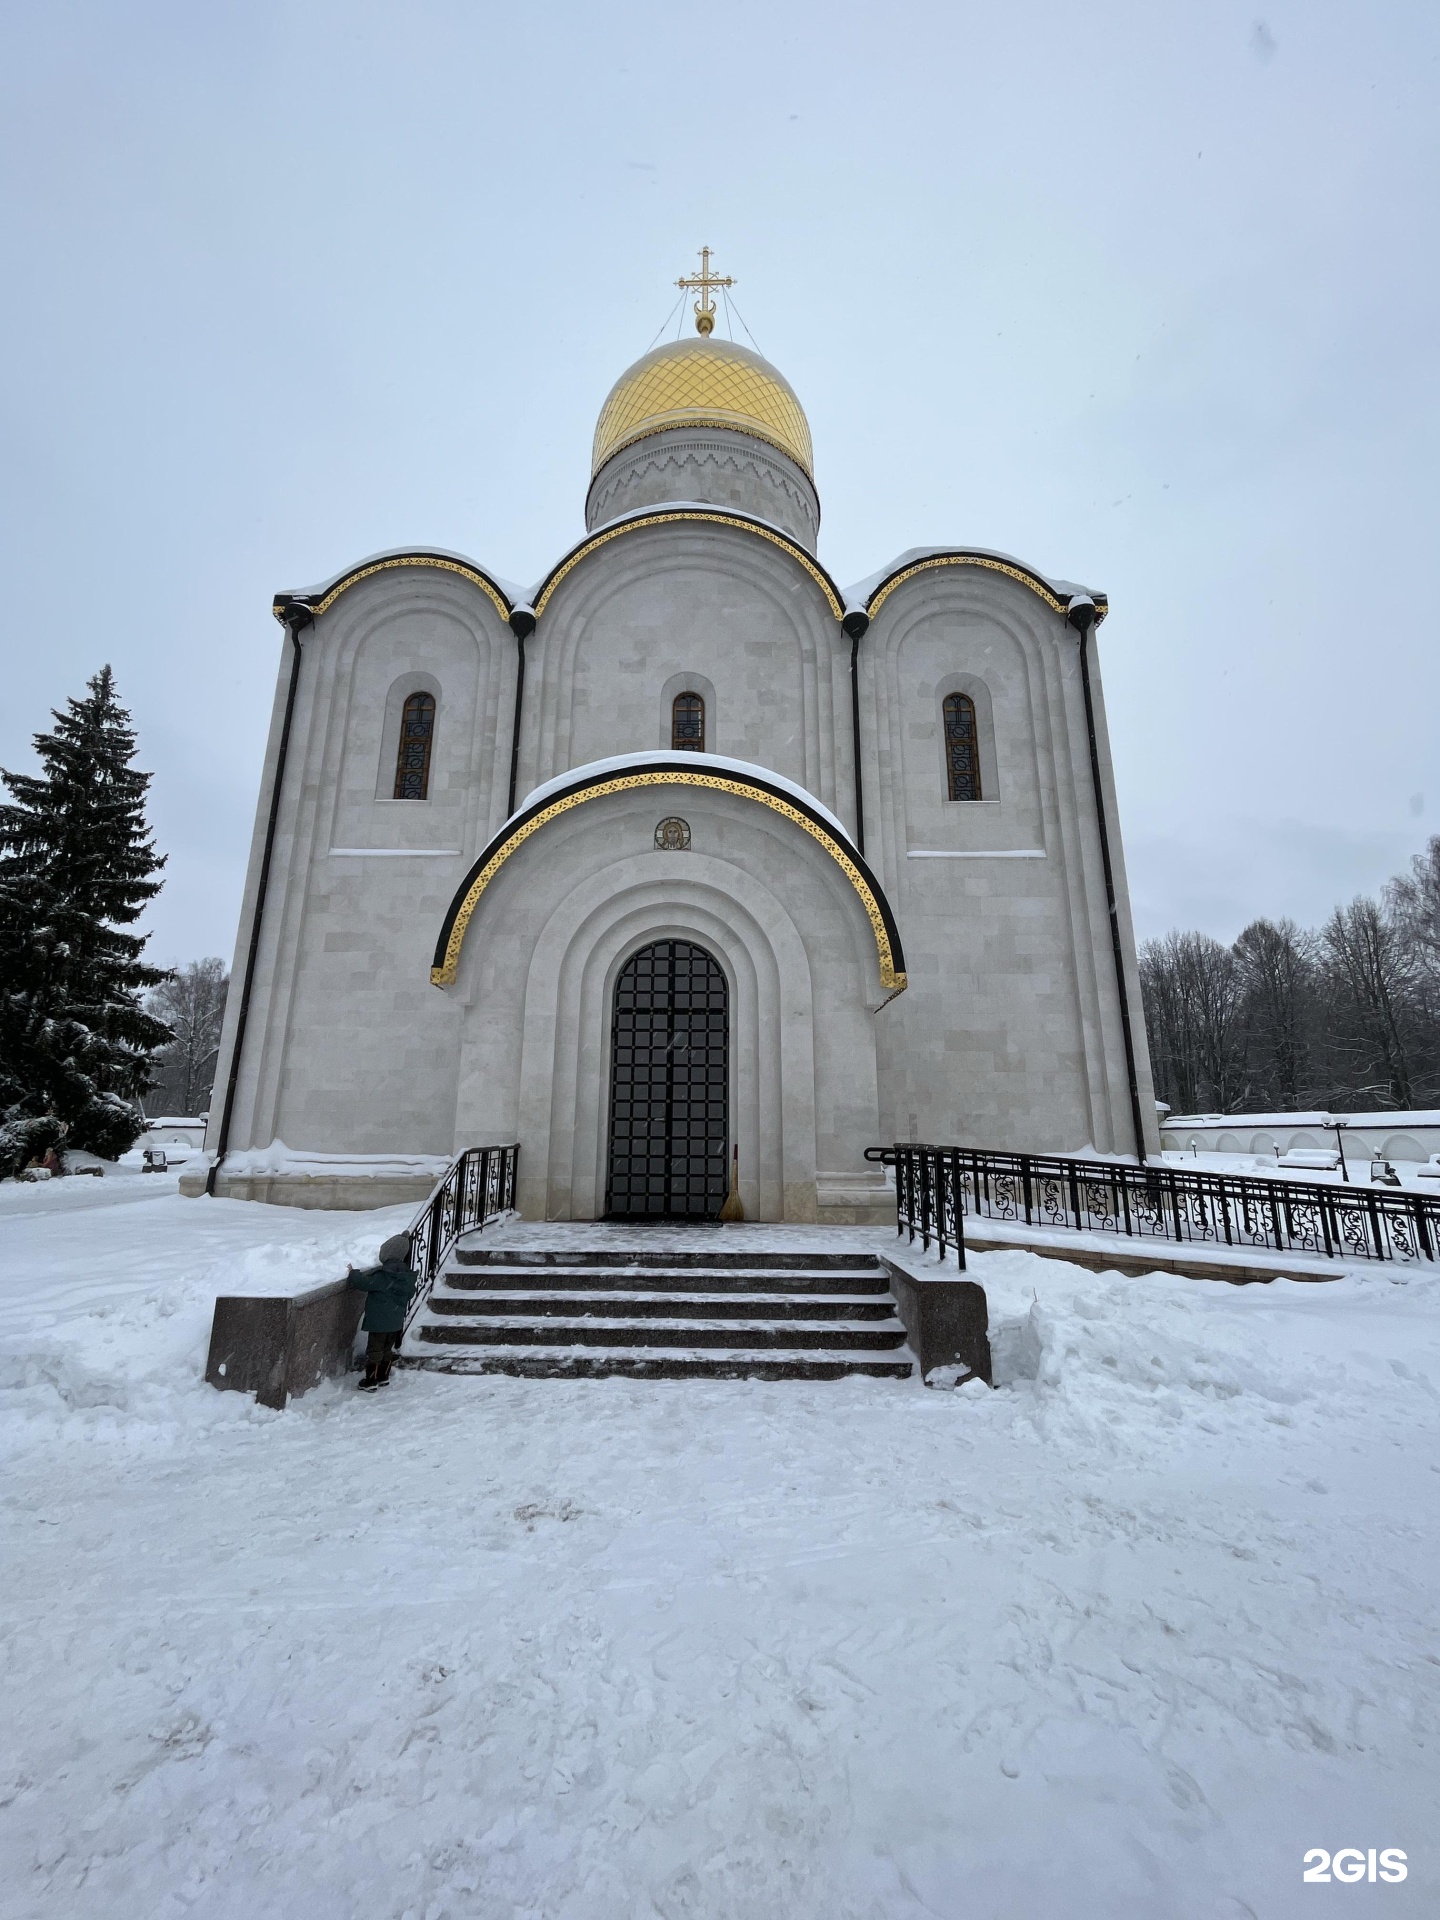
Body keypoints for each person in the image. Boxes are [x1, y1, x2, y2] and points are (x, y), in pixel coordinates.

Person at [346, 1233, 419, 1391]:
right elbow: (411, 1293)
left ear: (385, 1255)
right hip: (395, 1321)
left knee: (375, 1350)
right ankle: (383, 1376)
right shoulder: (406, 1277)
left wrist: (353, 1273)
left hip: (379, 1322)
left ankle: (371, 1380)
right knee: (387, 1349)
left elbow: (362, 1283)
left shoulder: (383, 1276)